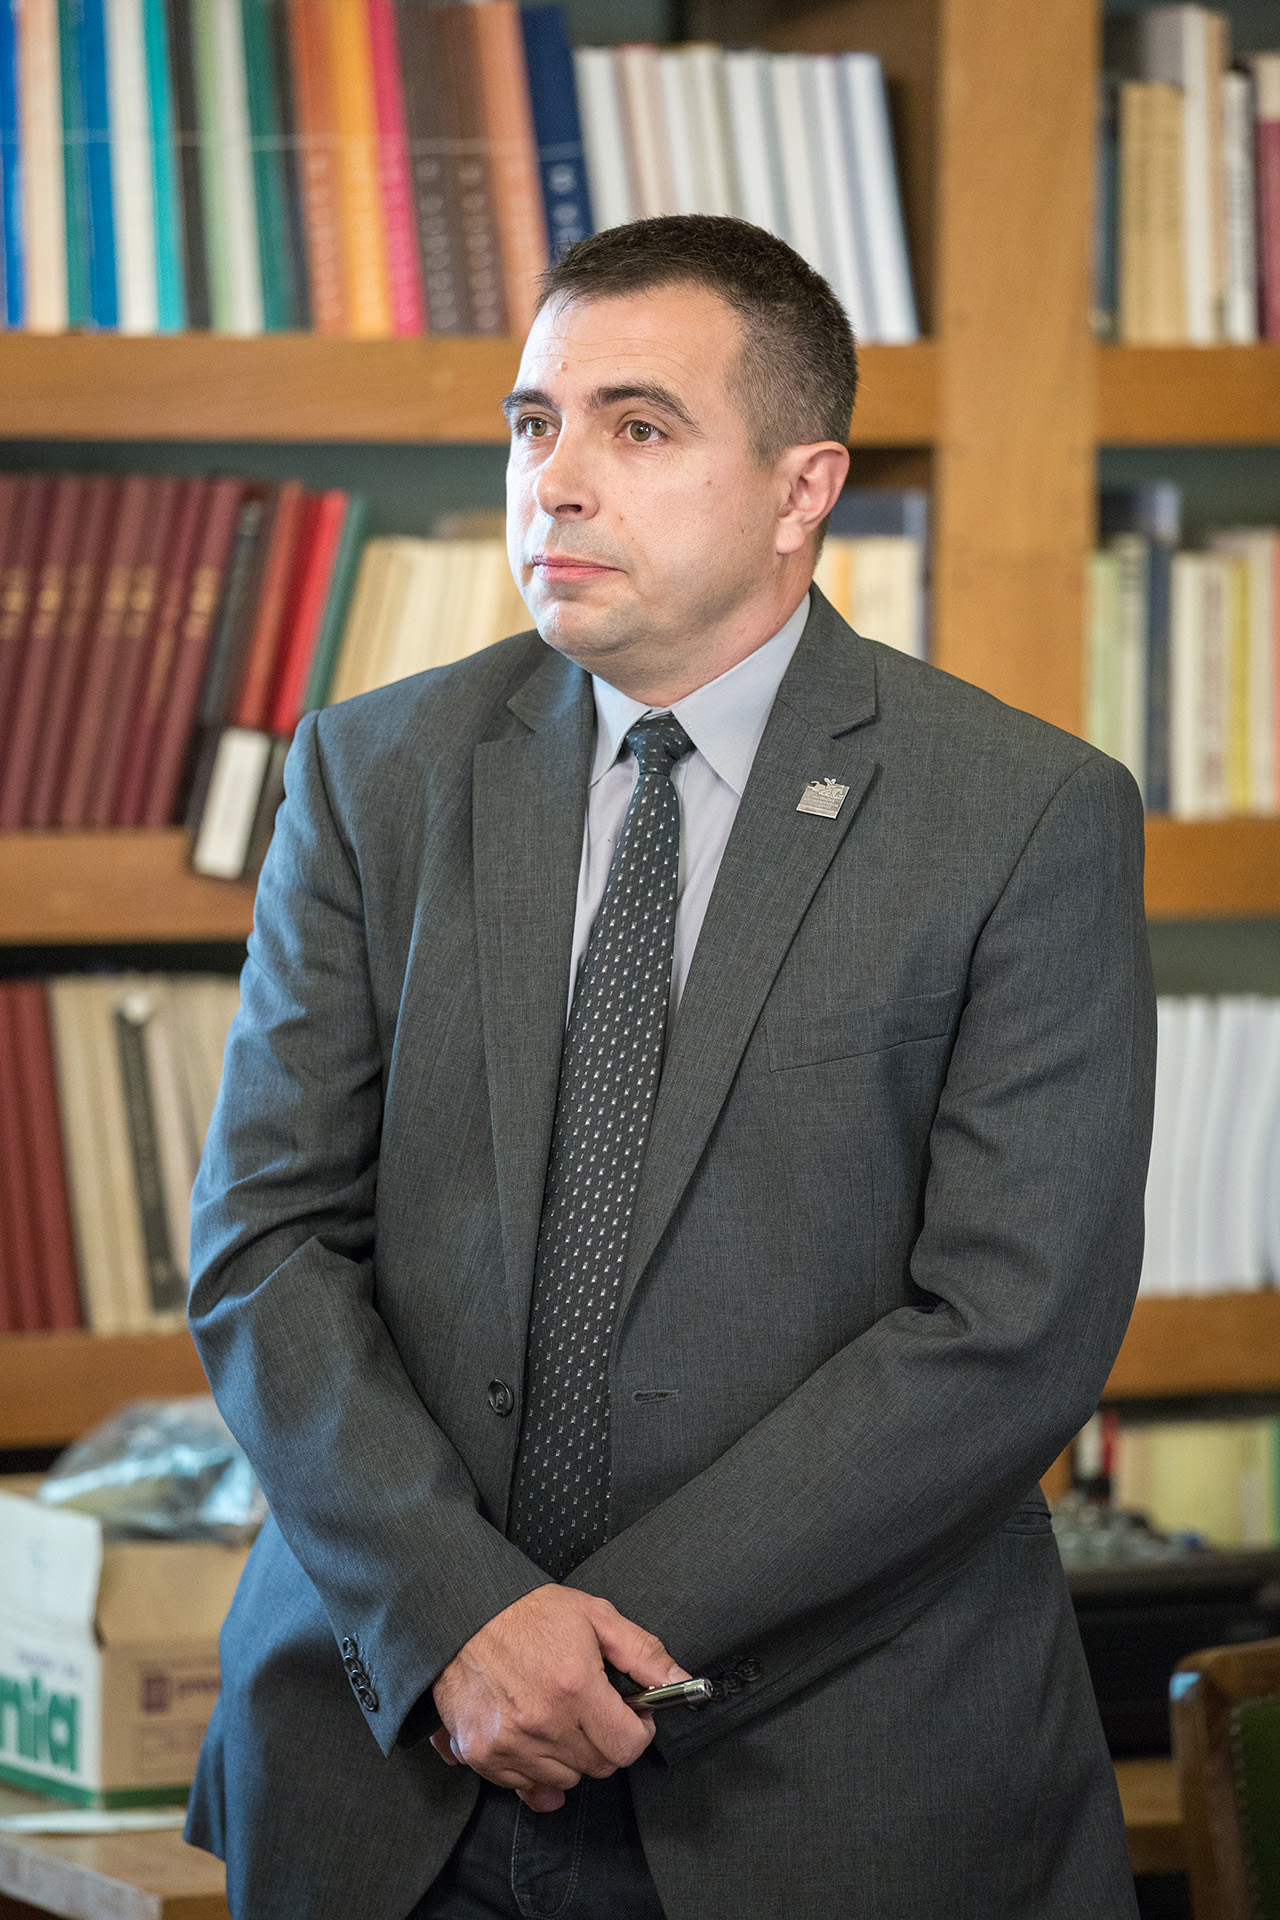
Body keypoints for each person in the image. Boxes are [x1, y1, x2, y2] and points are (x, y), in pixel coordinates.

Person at [185, 215, 1156, 1920]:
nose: (555, 482)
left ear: (802, 488)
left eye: (637, 428)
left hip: (829, 1780)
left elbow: (1011, 1325)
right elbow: (263, 1243)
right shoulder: (372, 773)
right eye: (533, 422)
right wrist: (463, 1618)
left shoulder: (1021, 816)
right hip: (391, 1761)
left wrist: (590, 1648)